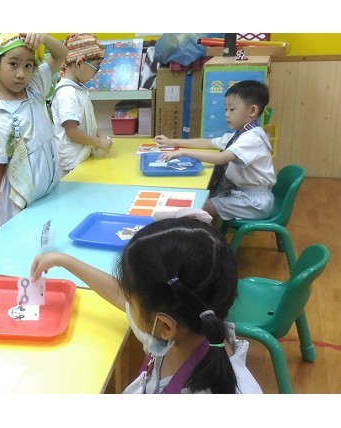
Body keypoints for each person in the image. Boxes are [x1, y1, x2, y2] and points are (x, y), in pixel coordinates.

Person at [31, 217, 262, 394]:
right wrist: (64, 260)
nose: (127, 301)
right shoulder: (191, 326)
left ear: (165, 326)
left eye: (132, 298)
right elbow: (121, 295)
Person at [155, 80, 276, 221]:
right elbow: (207, 142)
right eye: (226, 109)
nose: (226, 114)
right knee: (197, 198)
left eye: (232, 109)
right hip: (240, 193)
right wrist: (172, 142)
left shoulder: (253, 138)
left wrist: (184, 152)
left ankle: (195, 231)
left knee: (196, 206)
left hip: (253, 202)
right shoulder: (239, 135)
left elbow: (221, 158)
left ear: (252, 111)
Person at [0, 33, 67, 227]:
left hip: (48, 192)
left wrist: (43, 37)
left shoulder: (35, 87)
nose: (21, 74)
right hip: (22, 203)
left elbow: (61, 54)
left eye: (28, 66)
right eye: (13, 64)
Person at [51, 33, 112, 179]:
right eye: (96, 68)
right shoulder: (67, 93)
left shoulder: (78, 90)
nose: (95, 74)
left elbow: (87, 123)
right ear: (79, 63)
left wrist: (99, 134)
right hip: (71, 166)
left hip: (82, 160)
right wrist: (99, 143)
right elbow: (72, 132)